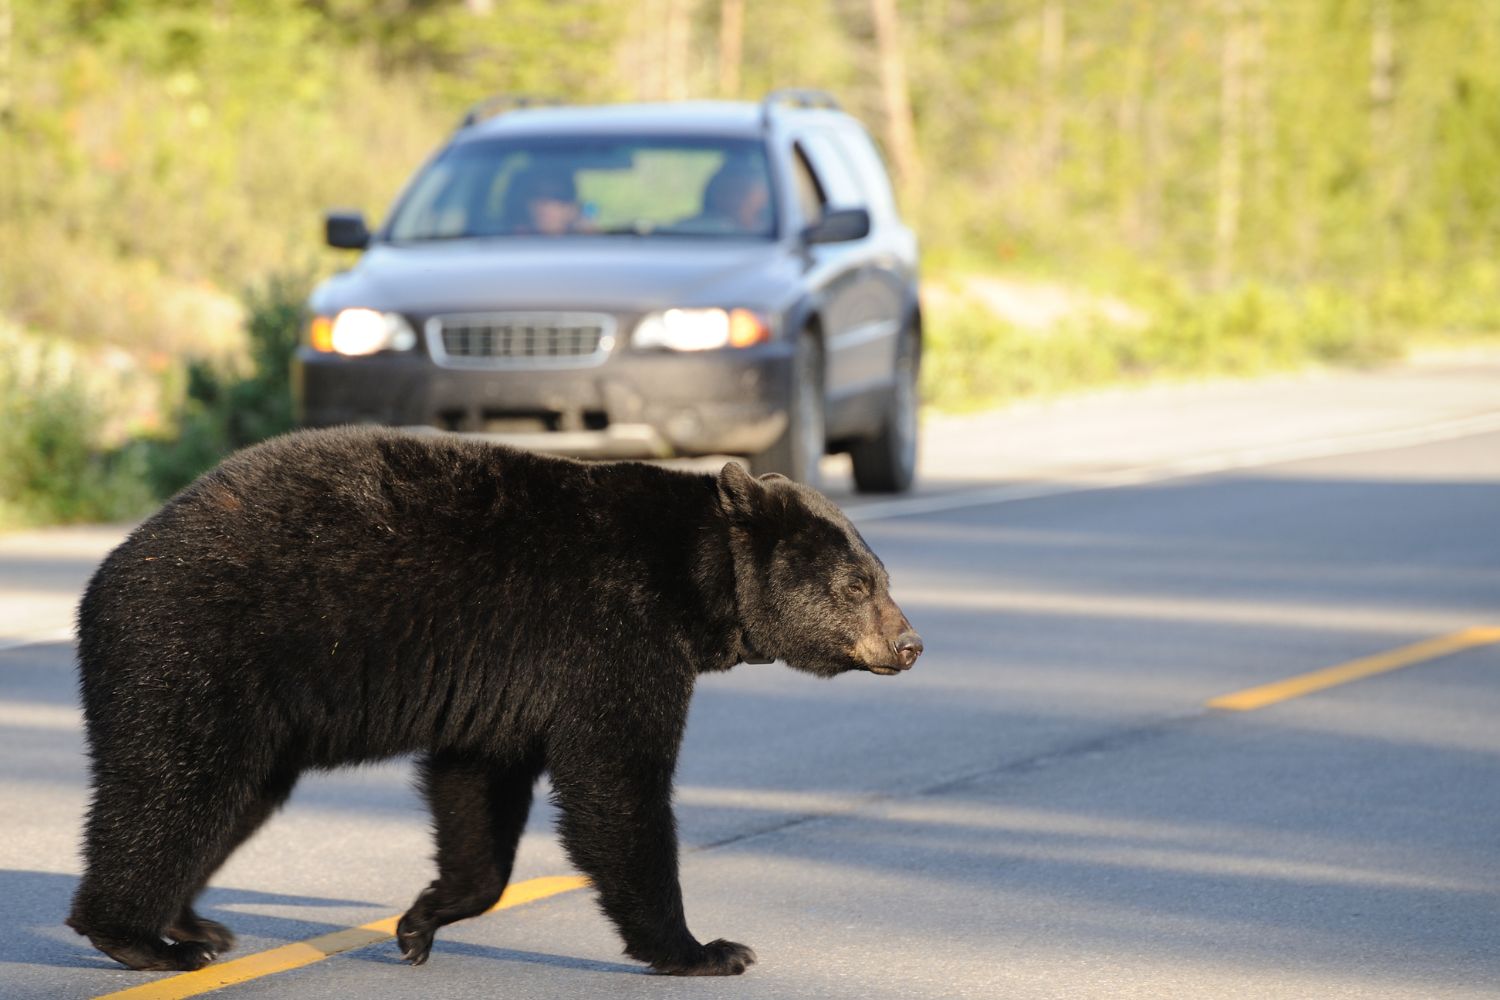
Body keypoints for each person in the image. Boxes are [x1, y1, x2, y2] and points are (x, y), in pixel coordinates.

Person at [503, 169, 584, 235]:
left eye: (555, 196)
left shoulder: (588, 247)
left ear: (572, 209)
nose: (544, 203)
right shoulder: (508, 245)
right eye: (536, 194)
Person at [695, 164, 771, 234]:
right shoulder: (699, 230)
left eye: (743, 191)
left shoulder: (773, 233)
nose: (737, 200)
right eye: (728, 192)